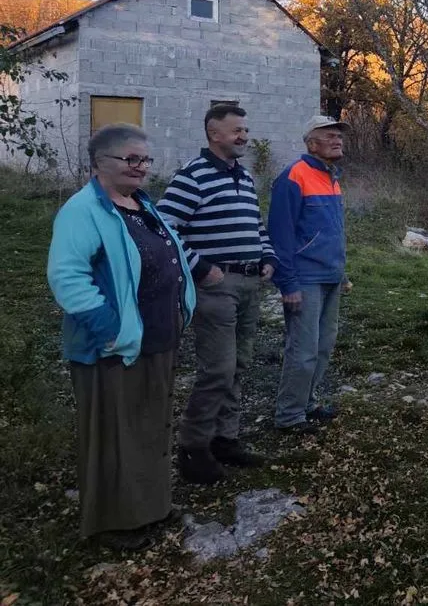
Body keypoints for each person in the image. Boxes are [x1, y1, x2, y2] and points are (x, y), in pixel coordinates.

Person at [46, 123, 197, 551]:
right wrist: (111, 331)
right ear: (99, 163)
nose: (141, 167)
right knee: (116, 434)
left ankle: (149, 509)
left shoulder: (140, 205)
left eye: (145, 160)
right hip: (111, 348)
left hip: (156, 340)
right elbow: (68, 277)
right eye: (130, 159)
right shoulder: (83, 210)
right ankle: (115, 523)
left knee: (149, 426)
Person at [158, 103, 275, 484]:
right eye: (237, 130)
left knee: (239, 364)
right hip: (215, 287)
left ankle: (225, 439)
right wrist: (200, 267)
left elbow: (255, 224)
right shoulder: (192, 176)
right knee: (218, 370)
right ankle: (192, 448)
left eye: (245, 129)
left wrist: (267, 255)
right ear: (214, 133)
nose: (244, 136)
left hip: (248, 284)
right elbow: (163, 227)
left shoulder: (243, 175)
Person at [267, 115, 351, 434]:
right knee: (302, 350)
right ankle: (289, 415)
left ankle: (307, 401)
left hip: (330, 275)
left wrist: (342, 273)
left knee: (323, 346)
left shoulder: (332, 177)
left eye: (339, 136)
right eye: (329, 135)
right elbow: (281, 235)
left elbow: (333, 231)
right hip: (304, 278)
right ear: (311, 143)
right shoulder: (293, 177)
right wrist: (287, 283)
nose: (337, 140)